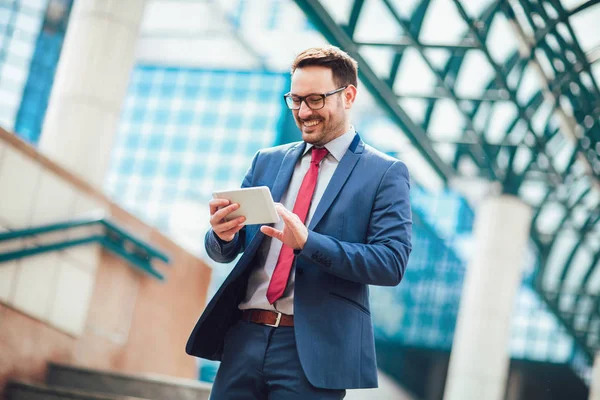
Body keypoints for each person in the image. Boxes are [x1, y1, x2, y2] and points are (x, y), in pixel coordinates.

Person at [186, 46, 412, 399]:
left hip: (312, 353)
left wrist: (309, 243)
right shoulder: (267, 161)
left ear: (348, 95)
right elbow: (225, 251)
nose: (303, 112)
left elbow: (391, 263)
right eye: (296, 100)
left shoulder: (384, 173)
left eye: (316, 100)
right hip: (244, 338)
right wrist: (222, 235)